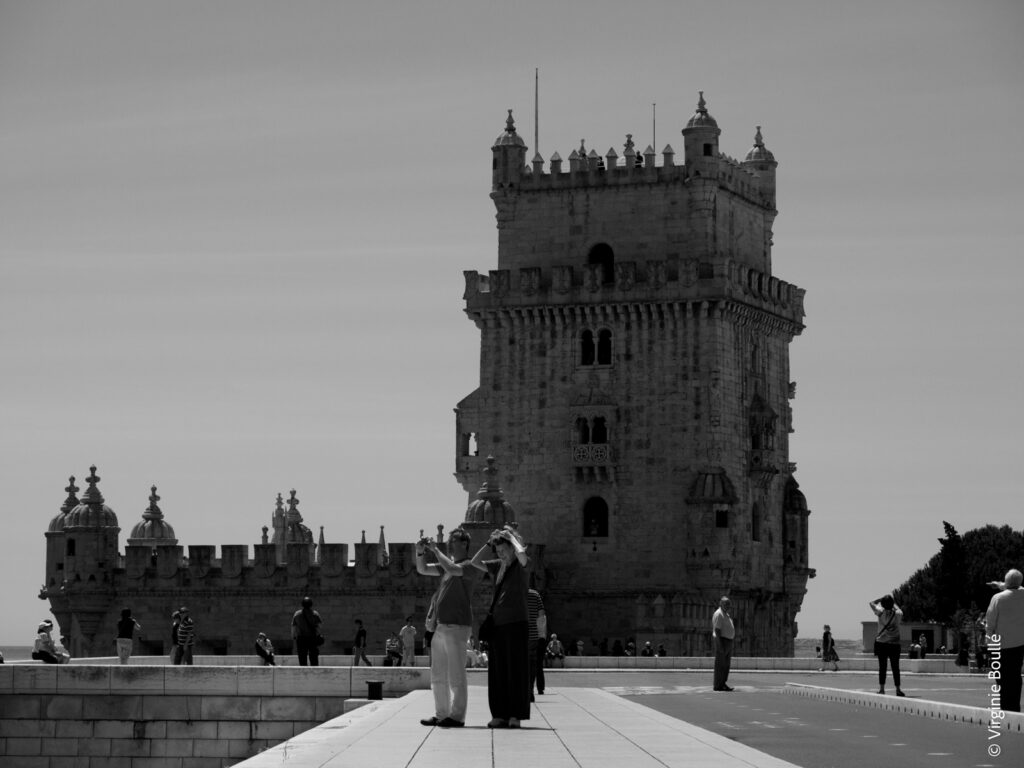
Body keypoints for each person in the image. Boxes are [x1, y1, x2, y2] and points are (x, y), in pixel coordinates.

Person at [415, 526, 480, 728]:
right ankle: (441, 713)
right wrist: (419, 552)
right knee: (438, 674)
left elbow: (453, 569)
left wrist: (435, 550)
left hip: (458, 626)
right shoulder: (445, 567)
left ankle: (457, 716)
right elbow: (422, 569)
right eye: (450, 540)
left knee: (456, 675)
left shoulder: (471, 565)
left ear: (465, 544)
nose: (451, 543)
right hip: (441, 626)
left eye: (456, 540)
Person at [470, 525, 531, 729]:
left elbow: (522, 556)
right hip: (497, 625)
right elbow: (475, 562)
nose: (501, 554)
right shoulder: (498, 566)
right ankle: (499, 714)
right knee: (498, 672)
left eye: (504, 551)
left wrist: (511, 538)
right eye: (499, 552)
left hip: (517, 624)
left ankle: (515, 715)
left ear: (512, 548)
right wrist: (491, 542)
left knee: (516, 671)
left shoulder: (522, 566)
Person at [985, 568, 1024, 712]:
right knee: (1015, 676)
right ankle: (1014, 709)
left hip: (999, 645)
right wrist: (1001, 584)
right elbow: (1015, 587)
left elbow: (990, 623)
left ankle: (1005, 709)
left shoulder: (998, 598)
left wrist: (989, 643)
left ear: (1006, 582)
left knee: (1002, 679)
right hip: (1019, 644)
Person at [869, 595, 904, 696]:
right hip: (895, 644)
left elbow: (871, 603)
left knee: (882, 667)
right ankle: (898, 689)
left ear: (883, 604)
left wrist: (880, 599)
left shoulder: (881, 612)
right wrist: (894, 603)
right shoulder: (898, 614)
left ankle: (882, 689)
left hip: (882, 644)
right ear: (892, 604)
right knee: (895, 668)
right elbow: (898, 609)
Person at [292, 596, 323, 667]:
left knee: (302, 658)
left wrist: (294, 636)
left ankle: (303, 674)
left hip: (301, 638)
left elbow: (294, 627)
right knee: (314, 658)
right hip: (312, 638)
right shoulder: (315, 614)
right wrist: (317, 634)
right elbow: (319, 626)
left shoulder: (297, 614)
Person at [712, 596, 735, 691]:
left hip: (727, 641)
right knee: (720, 665)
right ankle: (718, 685)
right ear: (721, 604)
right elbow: (717, 630)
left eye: (729, 604)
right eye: (726, 603)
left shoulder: (725, 614)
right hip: (722, 641)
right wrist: (720, 645)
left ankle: (722, 683)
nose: (728, 605)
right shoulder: (719, 614)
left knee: (726, 665)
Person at [527, 587, 546, 699]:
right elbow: (541, 615)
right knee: (532, 665)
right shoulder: (535, 595)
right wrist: (541, 635)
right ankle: (530, 691)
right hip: (533, 636)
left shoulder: (514, 593)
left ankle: (522, 691)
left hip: (519, 635)